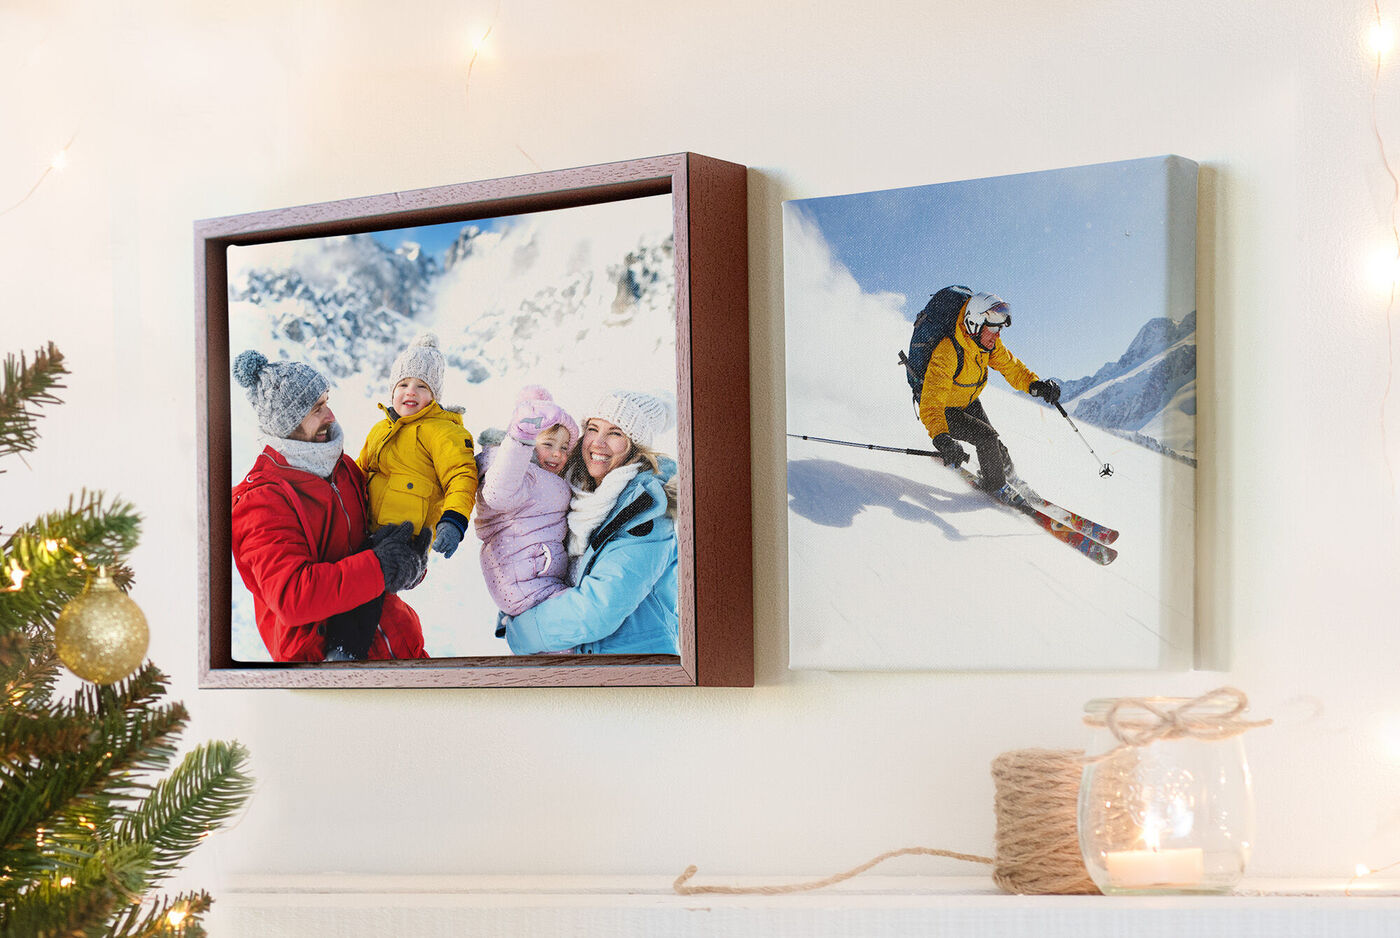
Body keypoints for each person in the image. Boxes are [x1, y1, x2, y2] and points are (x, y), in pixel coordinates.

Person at [230, 350, 428, 662]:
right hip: (329, 671)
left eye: (326, 401)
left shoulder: (344, 467)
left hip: (399, 647)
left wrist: (407, 560)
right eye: (316, 409)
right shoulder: (260, 502)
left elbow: (372, 554)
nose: (331, 416)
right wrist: (380, 567)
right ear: (289, 422)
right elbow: (293, 596)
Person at [502, 389, 679, 655]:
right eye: (593, 429)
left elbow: (600, 608)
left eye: (615, 433)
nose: (598, 442)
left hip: (635, 667)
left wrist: (523, 631)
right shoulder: (573, 497)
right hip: (585, 668)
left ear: (635, 446)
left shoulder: (648, 513)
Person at [357, 333, 478, 578]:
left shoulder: (443, 431)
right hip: (367, 533)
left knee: (370, 596)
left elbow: (461, 476)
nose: (410, 391)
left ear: (435, 396)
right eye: (403, 384)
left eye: (422, 386)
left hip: (408, 542)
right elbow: (359, 472)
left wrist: (453, 521)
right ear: (392, 391)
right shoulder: (380, 429)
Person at [918, 291, 1062, 495]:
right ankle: (996, 487)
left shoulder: (987, 345)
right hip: (943, 410)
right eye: (993, 329)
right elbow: (931, 402)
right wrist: (942, 438)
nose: (997, 335)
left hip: (967, 400)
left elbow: (1011, 367)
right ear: (975, 324)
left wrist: (1035, 385)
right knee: (986, 438)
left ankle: (1013, 481)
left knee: (996, 445)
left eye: (1000, 329)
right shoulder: (947, 352)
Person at [473, 386, 580, 624]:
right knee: (572, 635)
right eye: (549, 444)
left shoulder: (544, 477)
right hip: (527, 581)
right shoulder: (517, 472)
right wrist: (520, 441)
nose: (557, 454)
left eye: (564, 447)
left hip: (535, 578)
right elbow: (498, 493)